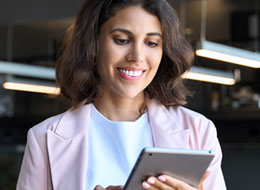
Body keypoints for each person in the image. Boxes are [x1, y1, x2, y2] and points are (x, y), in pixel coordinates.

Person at [17, 0, 226, 189]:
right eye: (122, 40)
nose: (137, 56)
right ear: (93, 44)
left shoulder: (199, 131)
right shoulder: (44, 138)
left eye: (152, 43)